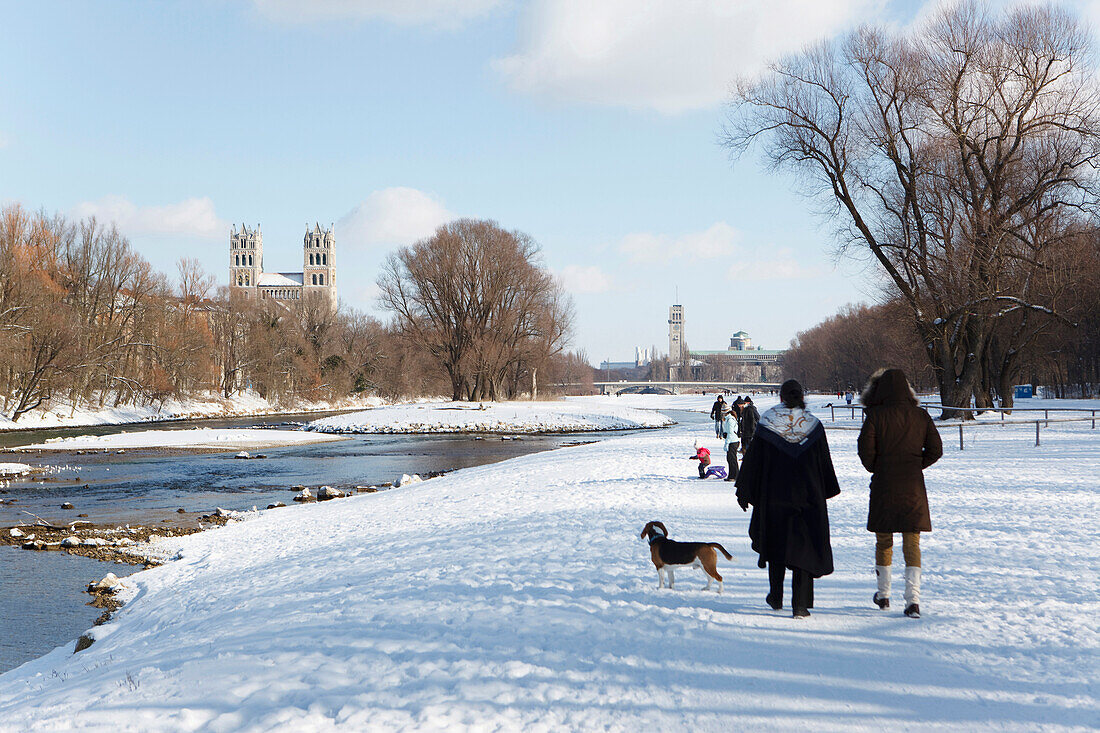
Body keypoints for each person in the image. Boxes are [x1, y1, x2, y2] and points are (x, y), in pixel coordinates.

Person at [735, 380, 840, 618]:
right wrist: (824, 490)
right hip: (807, 499)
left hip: (774, 497)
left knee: (776, 547)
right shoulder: (813, 426)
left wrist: (744, 490)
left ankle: (776, 595)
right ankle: (800, 605)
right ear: (801, 396)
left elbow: (754, 462)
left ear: (780, 397)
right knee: (803, 551)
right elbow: (823, 462)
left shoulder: (768, 423)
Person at [857, 368, 942, 619]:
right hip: (912, 487)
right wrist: (916, 464)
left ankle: (883, 595)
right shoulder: (921, 416)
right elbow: (936, 450)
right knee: (912, 542)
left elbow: (865, 452)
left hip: (884, 485)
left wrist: (879, 466)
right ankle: (913, 600)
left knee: (884, 542)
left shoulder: (874, 416)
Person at [721, 409, 740, 482]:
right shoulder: (730, 419)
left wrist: (727, 443)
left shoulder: (730, 420)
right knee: (731, 459)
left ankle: (734, 476)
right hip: (734, 441)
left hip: (732, 442)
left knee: (731, 459)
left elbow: (731, 433)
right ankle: (734, 475)